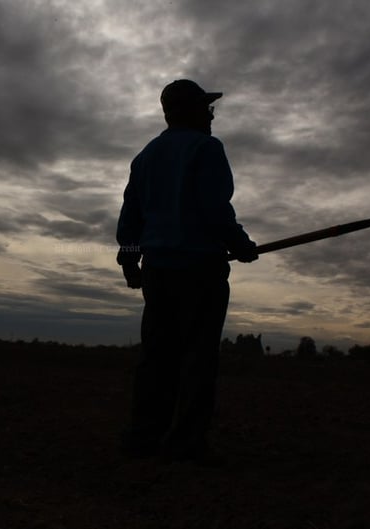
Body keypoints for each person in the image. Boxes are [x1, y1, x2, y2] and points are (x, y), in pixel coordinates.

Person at [116, 78, 258, 464]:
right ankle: (185, 446)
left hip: (159, 274)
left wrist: (130, 259)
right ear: (187, 111)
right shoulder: (206, 148)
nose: (211, 115)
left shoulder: (145, 157)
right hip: (201, 272)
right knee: (198, 359)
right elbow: (215, 210)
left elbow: (130, 219)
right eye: (206, 107)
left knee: (156, 357)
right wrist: (241, 245)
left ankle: (143, 438)